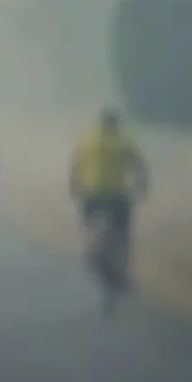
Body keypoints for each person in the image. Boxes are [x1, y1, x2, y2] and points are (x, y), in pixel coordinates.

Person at [69, 107, 149, 282]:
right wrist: (142, 187)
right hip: (117, 195)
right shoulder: (123, 142)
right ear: (116, 125)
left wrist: (74, 187)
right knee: (123, 232)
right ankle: (122, 264)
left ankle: (91, 248)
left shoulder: (87, 140)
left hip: (90, 194)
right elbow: (139, 167)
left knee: (88, 224)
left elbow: (75, 166)